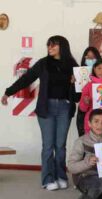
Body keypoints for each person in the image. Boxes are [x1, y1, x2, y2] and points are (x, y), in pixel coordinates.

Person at [2, 35, 78, 190]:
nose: (50, 48)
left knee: (61, 145)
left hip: (65, 106)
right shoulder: (43, 63)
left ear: (62, 46)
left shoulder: (72, 65)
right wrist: (8, 92)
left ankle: (61, 176)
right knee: (48, 145)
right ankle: (48, 179)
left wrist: (75, 84)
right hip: (47, 107)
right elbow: (26, 79)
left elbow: (78, 95)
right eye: (48, 45)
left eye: (53, 45)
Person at [76, 46, 101, 137]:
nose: (90, 60)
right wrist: (74, 83)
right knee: (84, 140)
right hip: (83, 112)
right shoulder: (78, 73)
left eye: (93, 57)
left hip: (100, 110)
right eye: (88, 57)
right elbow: (76, 97)